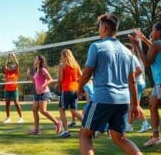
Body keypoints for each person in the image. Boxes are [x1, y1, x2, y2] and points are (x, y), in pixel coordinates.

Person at [78, 13, 142, 155]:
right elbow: (132, 80)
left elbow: (87, 73)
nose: (98, 29)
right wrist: (135, 104)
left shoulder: (97, 46)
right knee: (120, 138)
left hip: (103, 99)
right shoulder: (128, 52)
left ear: (105, 27)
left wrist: (79, 88)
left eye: (99, 26)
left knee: (85, 134)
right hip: (123, 101)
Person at [132, 23, 161, 146]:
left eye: (153, 30)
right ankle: (156, 137)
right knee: (152, 105)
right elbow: (156, 50)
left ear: (159, 32)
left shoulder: (156, 45)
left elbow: (146, 63)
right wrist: (144, 39)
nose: (151, 32)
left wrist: (137, 45)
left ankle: (156, 136)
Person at [27, 55, 62, 135]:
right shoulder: (37, 70)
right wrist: (29, 75)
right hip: (37, 93)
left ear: (39, 61)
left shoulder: (43, 69)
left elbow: (51, 79)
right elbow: (34, 81)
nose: (34, 59)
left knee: (43, 110)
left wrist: (44, 85)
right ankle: (36, 130)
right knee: (34, 109)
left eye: (35, 58)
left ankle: (57, 123)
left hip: (44, 92)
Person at [124, 42, 152, 133]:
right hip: (135, 84)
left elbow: (139, 70)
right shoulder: (129, 58)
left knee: (135, 105)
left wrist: (129, 78)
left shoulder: (132, 57)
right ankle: (129, 126)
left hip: (137, 84)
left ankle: (145, 124)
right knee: (132, 106)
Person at [57, 49, 83, 138]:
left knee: (61, 109)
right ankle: (89, 126)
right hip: (75, 90)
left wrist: (57, 85)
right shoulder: (76, 65)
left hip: (67, 90)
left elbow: (60, 79)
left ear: (64, 56)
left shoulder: (62, 65)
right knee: (73, 110)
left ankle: (66, 131)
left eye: (61, 55)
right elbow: (81, 76)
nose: (60, 57)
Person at [2, 53, 24, 124]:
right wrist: (7, 58)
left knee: (16, 103)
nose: (11, 67)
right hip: (7, 90)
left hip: (14, 90)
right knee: (7, 104)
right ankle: (8, 118)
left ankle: (21, 118)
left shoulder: (16, 72)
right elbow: (4, 65)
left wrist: (14, 57)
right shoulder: (7, 72)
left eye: (12, 67)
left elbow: (17, 64)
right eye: (10, 67)